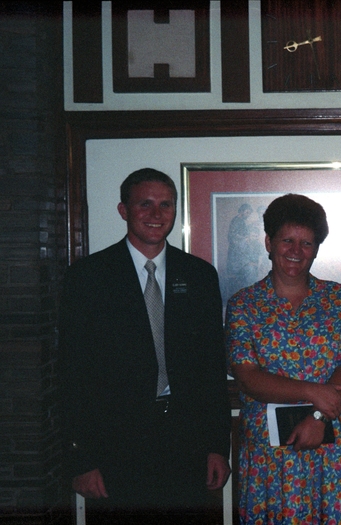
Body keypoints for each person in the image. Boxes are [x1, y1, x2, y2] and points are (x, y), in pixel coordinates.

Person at [59, 168, 231, 524]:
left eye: (166, 204)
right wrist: (81, 460)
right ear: (124, 210)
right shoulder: (88, 277)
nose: (156, 214)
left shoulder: (199, 275)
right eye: (145, 204)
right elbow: (72, 374)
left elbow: (211, 368)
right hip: (114, 448)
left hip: (186, 445)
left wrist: (217, 447)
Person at [226, 194, 341, 524]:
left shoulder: (336, 297)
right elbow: (248, 377)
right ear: (269, 242)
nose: (296, 251)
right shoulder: (244, 304)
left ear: (316, 249)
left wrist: (317, 416)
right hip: (269, 453)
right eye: (287, 240)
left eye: (307, 243)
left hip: (327, 442)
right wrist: (314, 392)